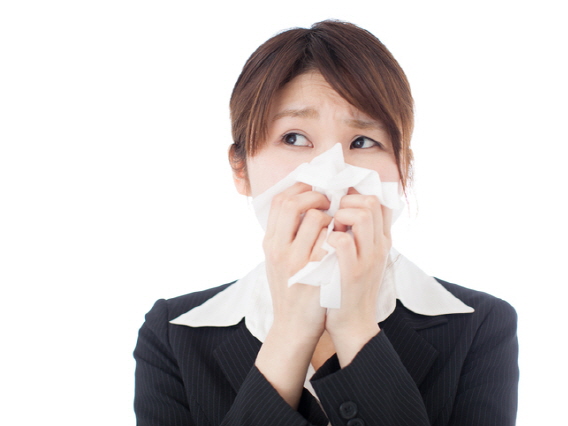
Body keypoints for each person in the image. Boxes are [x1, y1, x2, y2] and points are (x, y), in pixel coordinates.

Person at [134, 20, 518, 426]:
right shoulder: (174, 336)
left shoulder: (480, 326)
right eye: (294, 138)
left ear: (403, 169)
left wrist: (354, 324)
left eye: (363, 141)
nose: (332, 173)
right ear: (240, 168)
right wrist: (291, 329)